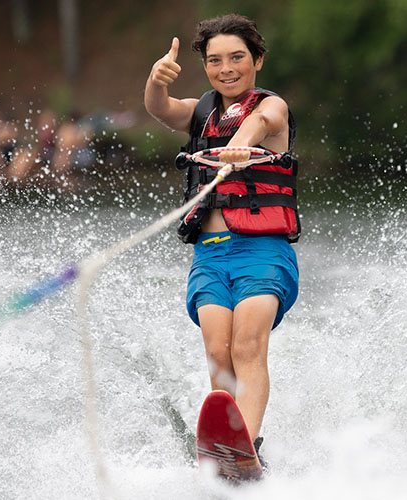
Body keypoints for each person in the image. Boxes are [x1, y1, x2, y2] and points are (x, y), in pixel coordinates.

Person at [144, 14, 300, 465]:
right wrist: (156, 82)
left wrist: (241, 144)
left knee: (247, 344)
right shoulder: (200, 112)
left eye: (237, 57)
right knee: (218, 350)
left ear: (257, 61)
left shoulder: (274, 108)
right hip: (210, 256)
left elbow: (261, 122)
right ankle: (227, 442)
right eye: (215, 60)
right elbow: (160, 109)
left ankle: (245, 448)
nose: (226, 67)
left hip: (263, 251)